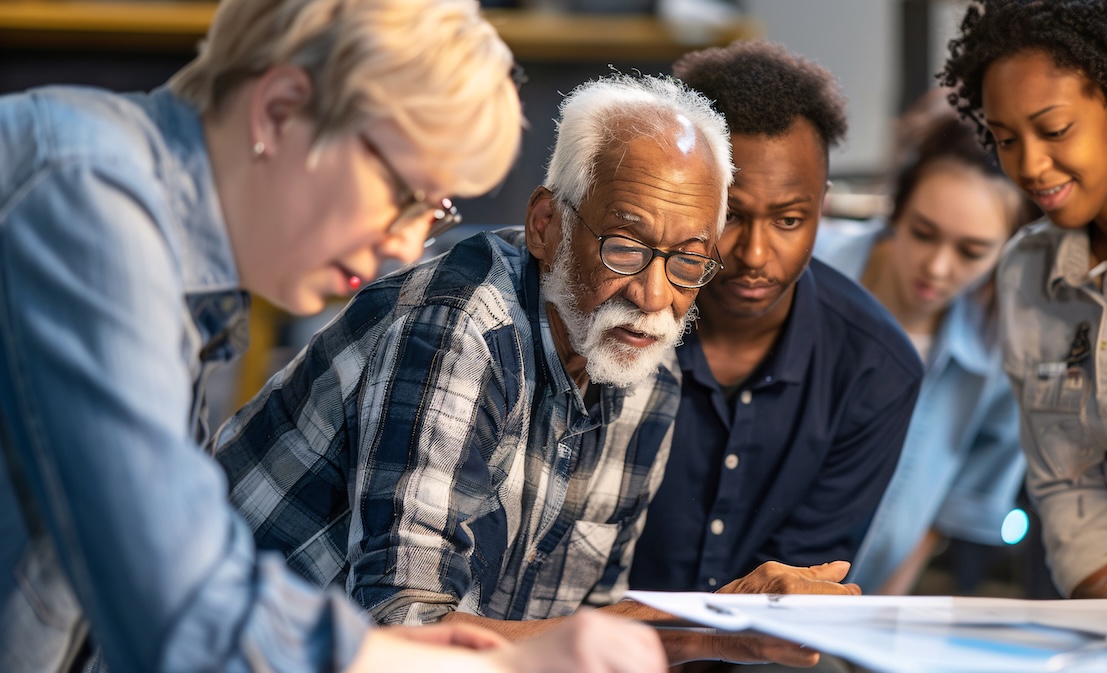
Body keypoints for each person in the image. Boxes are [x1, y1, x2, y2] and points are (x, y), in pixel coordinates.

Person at [0, 0, 670, 671]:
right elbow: (183, 610)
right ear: (281, 110)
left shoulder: (153, 246)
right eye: (405, 194)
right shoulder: (85, 199)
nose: (407, 246)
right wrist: (497, 665)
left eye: (433, 211)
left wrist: (380, 651)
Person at [213, 72, 860, 668]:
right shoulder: (461, 326)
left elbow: (582, 637)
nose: (656, 296)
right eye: (626, 247)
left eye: (689, 261)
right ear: (547, 224)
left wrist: (698, 626)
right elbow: (408, 629)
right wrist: (707, 620)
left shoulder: (648, 370)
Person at [627, 40, 923, 597]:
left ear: (823, 207)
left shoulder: (876, 371)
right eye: (730, 216)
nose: (756, 255)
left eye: (789, 220)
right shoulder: (618, 324)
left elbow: (800, 585)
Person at [940, 0, 1107, 599]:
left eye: (1054, 130)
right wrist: (1106, 586)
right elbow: (1064, 474)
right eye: (1005, 139)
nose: (1030, 165)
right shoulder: (1026, 273)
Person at [814, 102, 1034, 595]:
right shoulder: (809, 269)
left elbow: (956, 507)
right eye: (923, 232)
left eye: (971, 251)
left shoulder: (1001, 353)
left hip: (858, 601)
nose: (936, 268)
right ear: (897, 207)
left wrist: (878, 612)